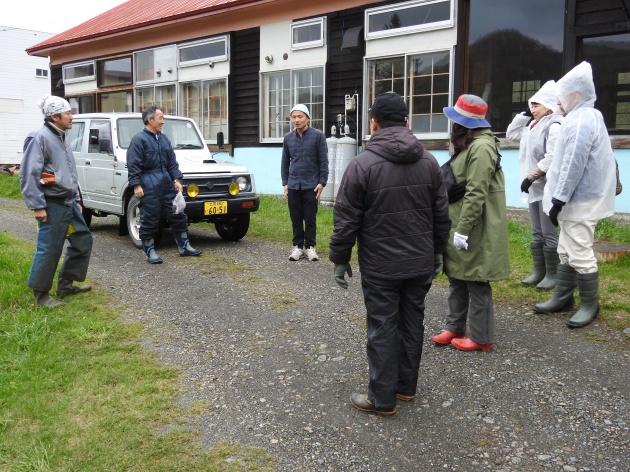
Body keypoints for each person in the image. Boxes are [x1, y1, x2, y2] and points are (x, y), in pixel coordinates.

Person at [329, 92, 451, 415]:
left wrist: (341, 258)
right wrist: (439, 252)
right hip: (420, 262)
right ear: (407, 122)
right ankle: (405, 388)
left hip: (381, 265)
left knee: (382, 325)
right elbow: (441, 214)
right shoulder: (430, 162)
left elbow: (346, 217)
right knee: (413, 321)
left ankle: (382, 398)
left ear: (374, 123)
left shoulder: (362, 165)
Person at [535, 61, 616, 328]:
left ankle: (590, 305)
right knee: (565, 249)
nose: (558, 102)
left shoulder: (581, 120)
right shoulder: (583, 117)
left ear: (576, 94)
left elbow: (573, 164)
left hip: (579, 199)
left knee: (579, 249)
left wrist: (558, 199)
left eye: (561, 96)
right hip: (574, 198)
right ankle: (563, 297)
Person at [431, 95, 509, 352]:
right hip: (461, 219)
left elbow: (477, 191)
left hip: (475, 224)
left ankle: (481, 337)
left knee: (476, 278)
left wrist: (463, 229)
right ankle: (455, 326)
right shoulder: (472, 142)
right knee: (457, 276)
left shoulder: (482, 147)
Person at [20, 96, 93, 308]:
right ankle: (41, 297)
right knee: (49, 248)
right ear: (54, 116)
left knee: (83, 240)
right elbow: (28, 175)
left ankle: (65, 285)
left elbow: (69, 172)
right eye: (68, 113)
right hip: (51, 203)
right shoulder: (39, 138)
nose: (72, 116)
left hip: (68, 202)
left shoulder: (61, 136)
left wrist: (77, 198)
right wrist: (37, 205)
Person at [506, 81, 563, 291]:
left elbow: (552, 157)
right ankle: (539, 272)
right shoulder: (533, 126)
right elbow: (511, 135)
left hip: (547, 186)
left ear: (549, 105)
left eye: (537, 105)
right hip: (534, 187)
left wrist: (531, 177)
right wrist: (523, 116)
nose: (533, 109)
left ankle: (553, 275)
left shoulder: (554, 125)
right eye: (532, 105)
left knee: (549, 232)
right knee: (536, 232)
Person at [127, 106, 203, 264]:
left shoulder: (164, 139)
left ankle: (184, 246)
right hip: (149, 184)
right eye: (160, 118)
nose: (163, 121)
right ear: (150, 120)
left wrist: (176, 179)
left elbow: (172, 163)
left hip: (167, 184)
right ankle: (149, 251)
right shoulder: (139, 140)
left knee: (178, 214)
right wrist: (136, 185)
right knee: (149, 219)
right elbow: (133, 165)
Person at [280, 104, 328, 262]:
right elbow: (285, 162)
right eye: (294, 117)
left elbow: (323, 161)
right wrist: (285, 183)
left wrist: (322, 182)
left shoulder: (317, 136)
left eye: (300, 116)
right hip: (293, 184)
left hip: (311, 185)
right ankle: (297, 247)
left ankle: (310, 248)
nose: (296, 120)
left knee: (310, 217)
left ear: (307, 118)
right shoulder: (288, 138)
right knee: (295, 218)